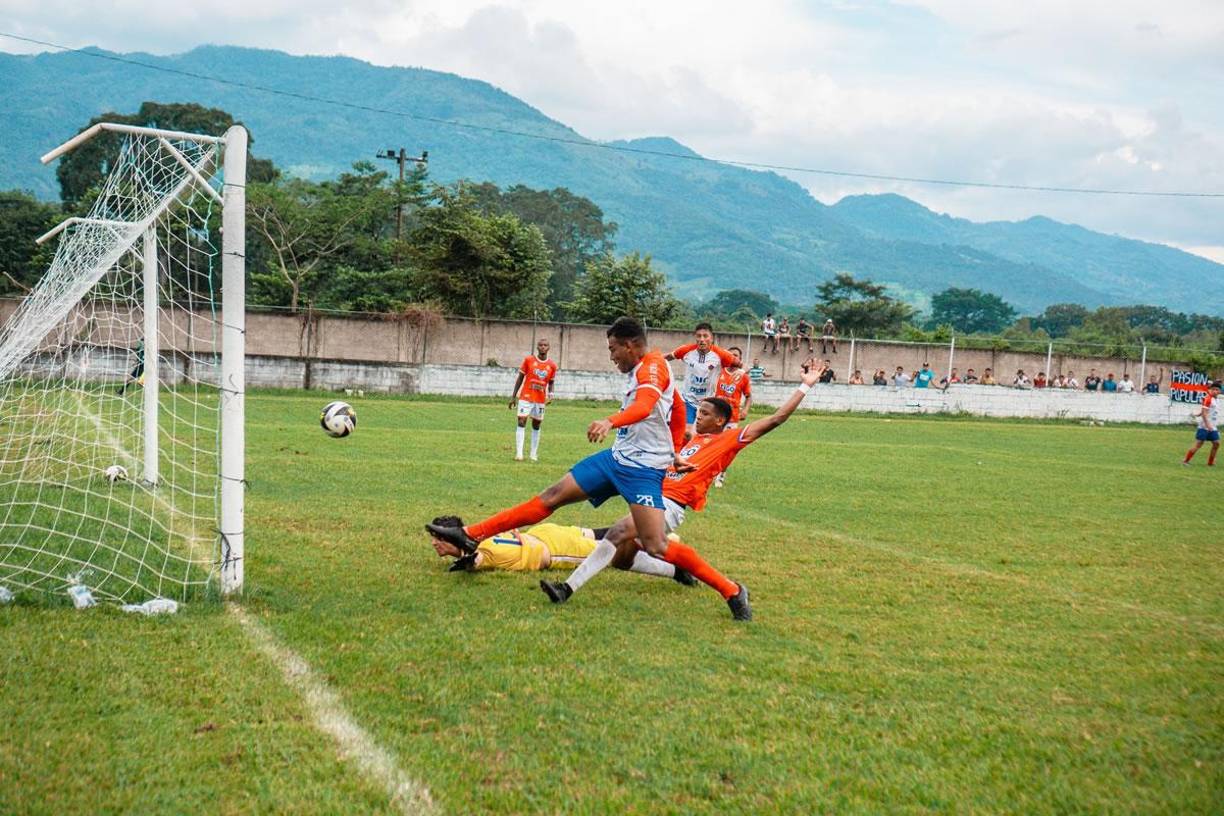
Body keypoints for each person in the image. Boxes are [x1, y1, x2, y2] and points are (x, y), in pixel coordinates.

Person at [427, 317, 723, 616]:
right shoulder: (650, 364)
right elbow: (676, 408)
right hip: (616, 459)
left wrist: (610, 421)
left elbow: (644, 407)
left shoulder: (651, 368)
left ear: (630, 345)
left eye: (613, 349)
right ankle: (470, 534)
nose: (611, 356)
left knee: (656, 544)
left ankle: (731, 590)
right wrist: (674, 451)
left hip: (643, 471)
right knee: (553, 495)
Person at [543, 361, 830, 621]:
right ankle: (677, 570)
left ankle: (567, 589)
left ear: (720, 420)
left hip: (670, 504)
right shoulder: (687, 441)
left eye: (704, 414)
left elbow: (776, 419)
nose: (698, 417)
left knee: (617, 533)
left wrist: (805, 385)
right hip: (650, 497)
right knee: (622, 558)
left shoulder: (730, 439)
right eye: (698, 412)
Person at [427, 517, 694, 586]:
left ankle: (669, 552)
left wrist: (466, 564)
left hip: (553, 547)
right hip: (544, 533)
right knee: (600, 533)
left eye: (438, 539)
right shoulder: (484, 536)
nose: (434, 544)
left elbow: (478, 560)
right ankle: (656, 535)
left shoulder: (484, 551)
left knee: (613, 554)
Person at [667, 323, 739, 440]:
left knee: (704, 436)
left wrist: (741, 371)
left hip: (708, 404)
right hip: (688, 401)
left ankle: (696, 454)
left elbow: (742, 365)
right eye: (699, 336)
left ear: (712, 338)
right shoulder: (686, 350)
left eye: (705, 336)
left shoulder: (720, 354)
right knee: (687, 433)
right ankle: (684, 455)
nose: (702, 339)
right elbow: (667, 357)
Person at [508, 338, 558, 461]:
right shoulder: (528, 360)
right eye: (540, 345)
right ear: (537, 347)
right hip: (526, 396)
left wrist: (551, 394)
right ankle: (519, 454)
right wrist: (513, 396)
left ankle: (533, 454)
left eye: (545, 345)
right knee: (521, 421)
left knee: (536, 425)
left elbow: (551, 382)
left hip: (540, 400)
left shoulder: (552, 365)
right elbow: (520, 378)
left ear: (548, 348)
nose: (542, 347)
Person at [711, 346, 752, 488]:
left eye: (736, 355)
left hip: (732, 417)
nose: (733, 357)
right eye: (730, 355)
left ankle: (721, 474)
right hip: (715, 416)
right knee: (712, 445)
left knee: (727, 449)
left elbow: (748, 396)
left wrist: (745, 410)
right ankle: (710, 472)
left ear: (740, 359)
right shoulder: (719, 372)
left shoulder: (743, 377)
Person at [1183, 380, 1220, 466]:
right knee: (1199, 444)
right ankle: (1185, 461)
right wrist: (1208, 425)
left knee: (1216, 443)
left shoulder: (1214, 399)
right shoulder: (1208, 398)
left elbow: (1206, 411)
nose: (1216, 391)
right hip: (1205, 426)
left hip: (1212, 426)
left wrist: (1197, 414)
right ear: (1211, 389)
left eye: (1217, 390)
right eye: (1214, 389)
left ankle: (1210, 463)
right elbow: (1204, 413)